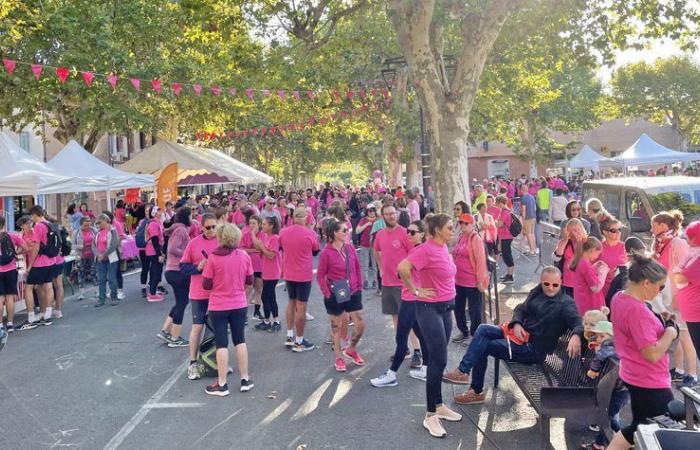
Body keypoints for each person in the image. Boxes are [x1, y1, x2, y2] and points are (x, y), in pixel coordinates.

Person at [444, 267, 583, 408]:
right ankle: (463, 371)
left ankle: (475, 390)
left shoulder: (566, 304)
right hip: (519, 336)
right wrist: (517, 324)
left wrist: (576, 335)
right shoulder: (538, 291)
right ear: (541, 282)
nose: (550, 288)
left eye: (555, 285)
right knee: (482, 329)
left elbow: (578, 322)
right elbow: (521, 308)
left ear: (561, 282)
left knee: (483, 346)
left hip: (532, 350)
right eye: (546, 284)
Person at [397, 213, 462, 438]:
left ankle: (440, 405)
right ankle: (430, 415)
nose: (453, 230)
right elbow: (402, 268)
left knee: (439, 359)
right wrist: (415, 290)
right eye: (450, 227)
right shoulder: (424, 250)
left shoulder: (443, 247)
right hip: (428, 309)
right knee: (439, 360)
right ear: (436, 231)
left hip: (446, 308)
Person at [608, 254, 677, 450]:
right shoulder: (638, 310)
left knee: (637, 427)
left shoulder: (620, 297)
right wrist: (670, 332)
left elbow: (634, 332)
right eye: (660, 287)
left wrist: (658, 320)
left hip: (633, 373)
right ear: (647, 282)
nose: (660, 292)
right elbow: (652, 354)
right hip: (649, 381)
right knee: (663, 433)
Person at [371, 220, 430, 387]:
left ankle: (391, 374)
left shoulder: (419, 251)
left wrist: (414, 289)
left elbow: (402, 271)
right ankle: (425, 368)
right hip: (415, 298)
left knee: (401, 337)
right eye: (408, 231)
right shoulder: (421, 250)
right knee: (420, 334)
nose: (408, 235)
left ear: (422, 234)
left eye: (412, 232)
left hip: (411, 300)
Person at [202, 223, 254, 396]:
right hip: (239, 303)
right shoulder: (244, 256)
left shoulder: (213, 258)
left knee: (221, 343)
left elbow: (206, 283)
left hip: (218, 305)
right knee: (240, 340)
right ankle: (245, 379)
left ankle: (222, 383)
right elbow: (250, 280)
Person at [651, 210, 697, 387]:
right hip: (666, 297)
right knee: (674, 334)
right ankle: (678, 370)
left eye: (654, 225)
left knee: (685, 336)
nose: (651, 229)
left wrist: (679, 296)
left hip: (679, 298)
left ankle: (692, 374)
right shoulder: (660, 244)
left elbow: (687, 271)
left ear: (663, 225)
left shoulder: (677, 243)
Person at [317, 220, 366, 372]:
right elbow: (320, 275)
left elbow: (357, 267)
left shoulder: (350, 248)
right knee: (336, 325)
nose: (347, 232)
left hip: (353, 289)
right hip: (336, 289)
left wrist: (360, 284)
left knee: (360, 323)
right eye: (344, 230)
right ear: (335, 234)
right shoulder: (326, 252)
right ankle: (338, 356)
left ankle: (351, 349)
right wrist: (327, 292)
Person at [374, 204, 420, 365]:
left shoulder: (405, 233)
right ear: (383, 217)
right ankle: (403, 348)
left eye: (393, 213)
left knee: (410, 319)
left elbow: (414, 254)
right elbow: (376, 250)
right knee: (395, 317)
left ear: (397, 215)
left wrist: (408, 275)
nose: (391, 216)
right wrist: (380, 268)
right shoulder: (380, 235)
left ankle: (417, 351)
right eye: (387, 214)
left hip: (404, 284)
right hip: (387, 282)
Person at [179, 213, 219, 380]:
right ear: (202, 227)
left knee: (217, 329)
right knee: (197, 327)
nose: (211, 230)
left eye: (214, 227)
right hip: (198, 293)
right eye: (208, 227)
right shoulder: (194, 243)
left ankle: (215, 361)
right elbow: (182, 267)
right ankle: (193, 363)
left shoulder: (222, 242)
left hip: (218, 293)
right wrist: (198, 267)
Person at [582, 320, 629, 450]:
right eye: (598, 336)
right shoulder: (616, 344)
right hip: (620, 389)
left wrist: (593, 371)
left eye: (603, 336)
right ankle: (628, 437)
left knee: (606, 417)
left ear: (612, 335)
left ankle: (600, 444)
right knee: (609, 417)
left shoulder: (609, 346)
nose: (599, 339)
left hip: (619, 391)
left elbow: (599, 358)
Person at [279, 207, 321, 352]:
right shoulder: (310, 233)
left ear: (293, 217)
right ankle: (299, 340)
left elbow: (280, 247)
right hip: (303, 275)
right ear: (305, 218)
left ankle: (289, 336)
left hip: (289, 273)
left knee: (291, 302)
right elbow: (316, 252)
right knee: (301, 307)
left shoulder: (283, 232)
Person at [451, 214, 489, 343]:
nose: (462, 225)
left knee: (475, 310)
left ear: (472, 224)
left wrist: (480, 280)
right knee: (458, 308)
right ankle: (463, 331)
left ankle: (475, 335)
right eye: (460, 222)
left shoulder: (475, 238)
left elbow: (480, 261)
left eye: (465, 223)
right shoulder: (461, 237)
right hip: (458, 280)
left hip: (472, 281)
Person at [157, 207, 192, 348]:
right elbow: (172, 248)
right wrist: (187, 254)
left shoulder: (177, 229)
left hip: (173, 271)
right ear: (186, 217)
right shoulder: (181, 230)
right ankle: (175, 337)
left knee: (180, 303)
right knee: (182, 303)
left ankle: (166, 331)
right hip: (178, 271)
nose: (192, 217)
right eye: (191, 215)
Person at [672, 220, 700, 382]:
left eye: (691, 237)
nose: (687, 240)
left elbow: (680, 278)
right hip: (692, 313)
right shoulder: (693, 253)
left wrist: (680, 274)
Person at [26, 206, 56, 323]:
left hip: (39, 262)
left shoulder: (38, 226)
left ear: (34, 214)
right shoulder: (49, 224)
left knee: (28, 288)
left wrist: (30, 265)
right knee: (48, 287)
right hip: (51, 260)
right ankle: (47, 314)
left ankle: (31, 317)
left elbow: (36, 247)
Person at [252, 216, 282, 332]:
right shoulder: (266, 237)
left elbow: (271, 255)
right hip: (267, 271)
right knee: (270, 296)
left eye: (264, 224)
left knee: (266, 296)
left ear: (271, 226)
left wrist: (261, 247)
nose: (262, 226)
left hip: (273, 272)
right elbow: (262, 251)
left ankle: (269, 321)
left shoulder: (275, 238)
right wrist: (255, 238)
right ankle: (274, 320)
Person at [0, 216, 26, 334]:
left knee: (0, 299)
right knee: (10, 297)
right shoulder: (12, 235)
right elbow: (25, 248)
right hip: (11, 270)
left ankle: (0, 325)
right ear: (4, 223)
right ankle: (10, 324)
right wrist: (15, 253)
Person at [571, 236, 608, 315]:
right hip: (591, 307)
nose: (597, 256)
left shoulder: (581, 261)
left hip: (582, 304)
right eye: (598, 253)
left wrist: (594, 267)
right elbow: (596, 288)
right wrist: (603, 272)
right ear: (592, 250)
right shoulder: (586, 265)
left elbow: (586, 278)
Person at [606, 237, 646, 309]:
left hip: (623, 308)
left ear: (626, 252)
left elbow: (610, 296)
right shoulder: (649, 269)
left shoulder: (621, 271)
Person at [553, 218, 588, 298]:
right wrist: (565, 240)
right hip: (567, 282)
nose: (574, 233)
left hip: (582, 282)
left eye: (576, 230)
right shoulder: (565, 242)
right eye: (571, 230)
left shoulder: (587, 242)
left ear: (582, 229)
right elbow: (556, 257)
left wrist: (580, 242)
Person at [240, 214, 265, 321]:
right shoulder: (245, 235)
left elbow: (262, 247)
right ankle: (243, 314)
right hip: (247, 266)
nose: (251, 225)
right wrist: (254, 250)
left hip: (259, 266)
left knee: (259, 288)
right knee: (248, 289)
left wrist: (253, 236)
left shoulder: (262, 234)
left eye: (254, 223)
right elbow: (241, 249)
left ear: (259, 224)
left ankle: (257, 311)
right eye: (250, 223)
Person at [93, 213, 120, 307]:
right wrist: (97, 254)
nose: (98, 225)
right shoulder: (98, 232)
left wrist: (104, 254)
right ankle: (101, 299)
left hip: (111, 258)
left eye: (100, 222)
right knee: (101, 279)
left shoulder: (112, 231)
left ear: (105, 221)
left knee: (112, 278)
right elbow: (93, 245)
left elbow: (113, 245)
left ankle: (114, 297)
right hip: (100, 259)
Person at [598, 216, 627, 299]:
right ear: (605, 232)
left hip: (621, 292)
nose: (618, 233)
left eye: (619, 229)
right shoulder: (598, 248)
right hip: (602, 292)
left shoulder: (626, 247)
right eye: (614, 230)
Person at [145, 206, 166, 302]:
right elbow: (154, 240)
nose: (161, 212)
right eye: (158, 211)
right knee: (156, 272)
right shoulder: (153, 224)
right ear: (154, 213)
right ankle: (152, 294)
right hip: (153, 251)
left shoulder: (158, 222)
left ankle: (153, 291)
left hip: (155, 250)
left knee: (156, 271)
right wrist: (159, 254)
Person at [73, 217, 96, 301]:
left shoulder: (93, 230)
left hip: (92, 254)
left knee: (94, 272)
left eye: (89, 225)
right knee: (81, 273)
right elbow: (73, 245)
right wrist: (78, 247)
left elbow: (97, 240)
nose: (87, 227)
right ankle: (81, 292)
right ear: (81, 225)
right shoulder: (76, 232)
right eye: (85, 225)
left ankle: (96, 290)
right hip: (81, 255)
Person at [355, 204, 377, 290]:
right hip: (365, 244)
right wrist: (367, 224)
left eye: (373, 210)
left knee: (375, 264)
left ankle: (375, 281)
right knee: (365, 264)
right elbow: (357, 231)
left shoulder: (378, 220)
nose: (372, 212)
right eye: (370, 211)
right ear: (367, 212)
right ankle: (366, 281)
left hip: (375, 245)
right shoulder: (363, 220)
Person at [495, 195, 515, 284]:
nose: (496, 205)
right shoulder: (506, 211)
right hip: (505, 236)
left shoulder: (504, 212)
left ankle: (510, 276)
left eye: (497, 203)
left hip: (506, 236)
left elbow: (499, 224)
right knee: (506, 254)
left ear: (500, 203)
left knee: (507, 255)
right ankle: (509, 274)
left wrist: (495, 221)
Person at [520, 185, 537, 256]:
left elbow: (523, 210)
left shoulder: (523, 198)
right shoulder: (532, 196)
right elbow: (535, 208)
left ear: (522, 190)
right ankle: (534, 249)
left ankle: (531, 250)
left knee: (528, 234)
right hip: (533, 217)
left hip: (527, 218)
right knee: (532, 234)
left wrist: (523, 220)